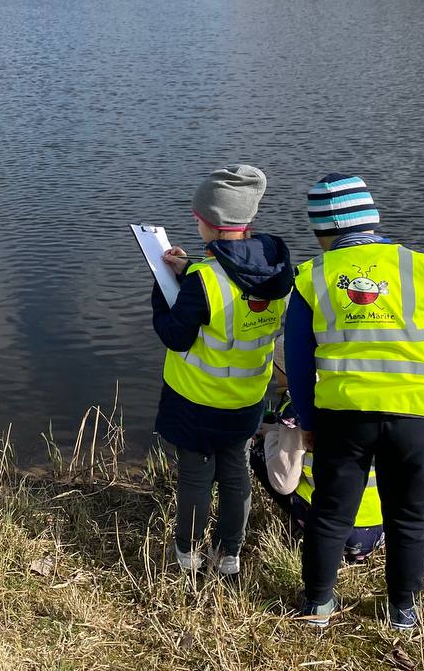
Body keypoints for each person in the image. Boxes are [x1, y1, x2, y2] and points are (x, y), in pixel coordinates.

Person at [286, 174, 424, 631]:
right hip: (415, 414)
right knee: (409, 515)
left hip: (343, 415)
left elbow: (298, 359)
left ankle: (317, 606)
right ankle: (403, 613)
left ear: (320, 231)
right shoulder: (420, 267)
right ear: (373, 218)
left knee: (331, 513)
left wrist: (308, 420)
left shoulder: (313, 277)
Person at [152, 165, 294, 576]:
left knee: (196, 478)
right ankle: (228, 556)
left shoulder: (202, 281)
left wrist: (162, 287)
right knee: (235, 474)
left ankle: (186, 556)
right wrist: (190, 272)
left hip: (197, 403)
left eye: (197, 218)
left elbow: (176, 335)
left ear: (209, 222)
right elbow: (233, 289)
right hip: (248, 400)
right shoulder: (277, 271)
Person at [250, 380, 384, 565]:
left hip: (334, 532)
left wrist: (271, 436)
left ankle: (305, 530)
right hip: (378, 530)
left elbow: (283, 482)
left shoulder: (299, 409)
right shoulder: (373, 398)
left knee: (260, 454)